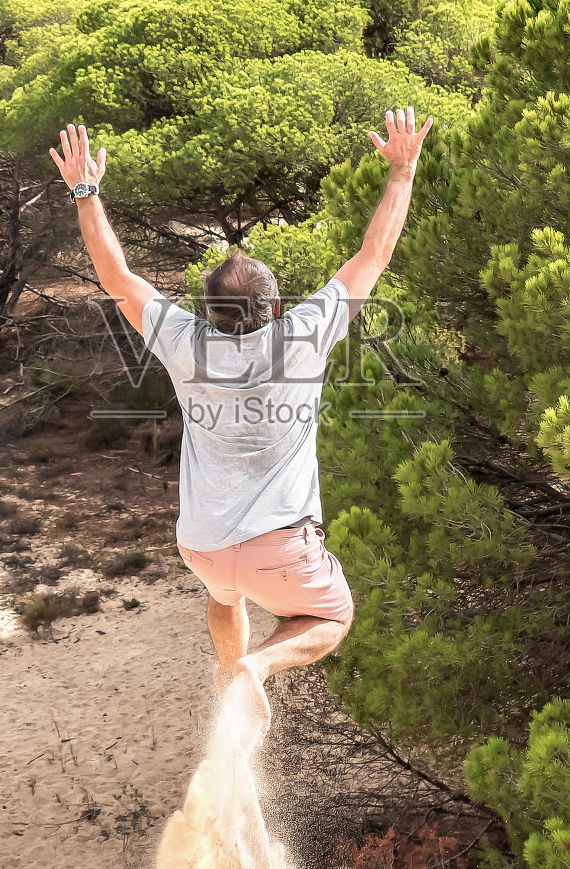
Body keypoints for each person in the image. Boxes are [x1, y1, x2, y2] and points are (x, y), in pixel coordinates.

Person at [49, 107, 433, 746]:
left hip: (201, 545)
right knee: (333, 617)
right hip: (280, 549)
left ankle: (232, 682)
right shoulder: (303, 335)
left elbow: (115, 277)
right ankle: (256, 668)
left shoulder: (183, 341)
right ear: (276, 306)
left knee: (224, 594)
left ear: (206, 309)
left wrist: (85, 190)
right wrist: (402, 169)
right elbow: (376, 252)